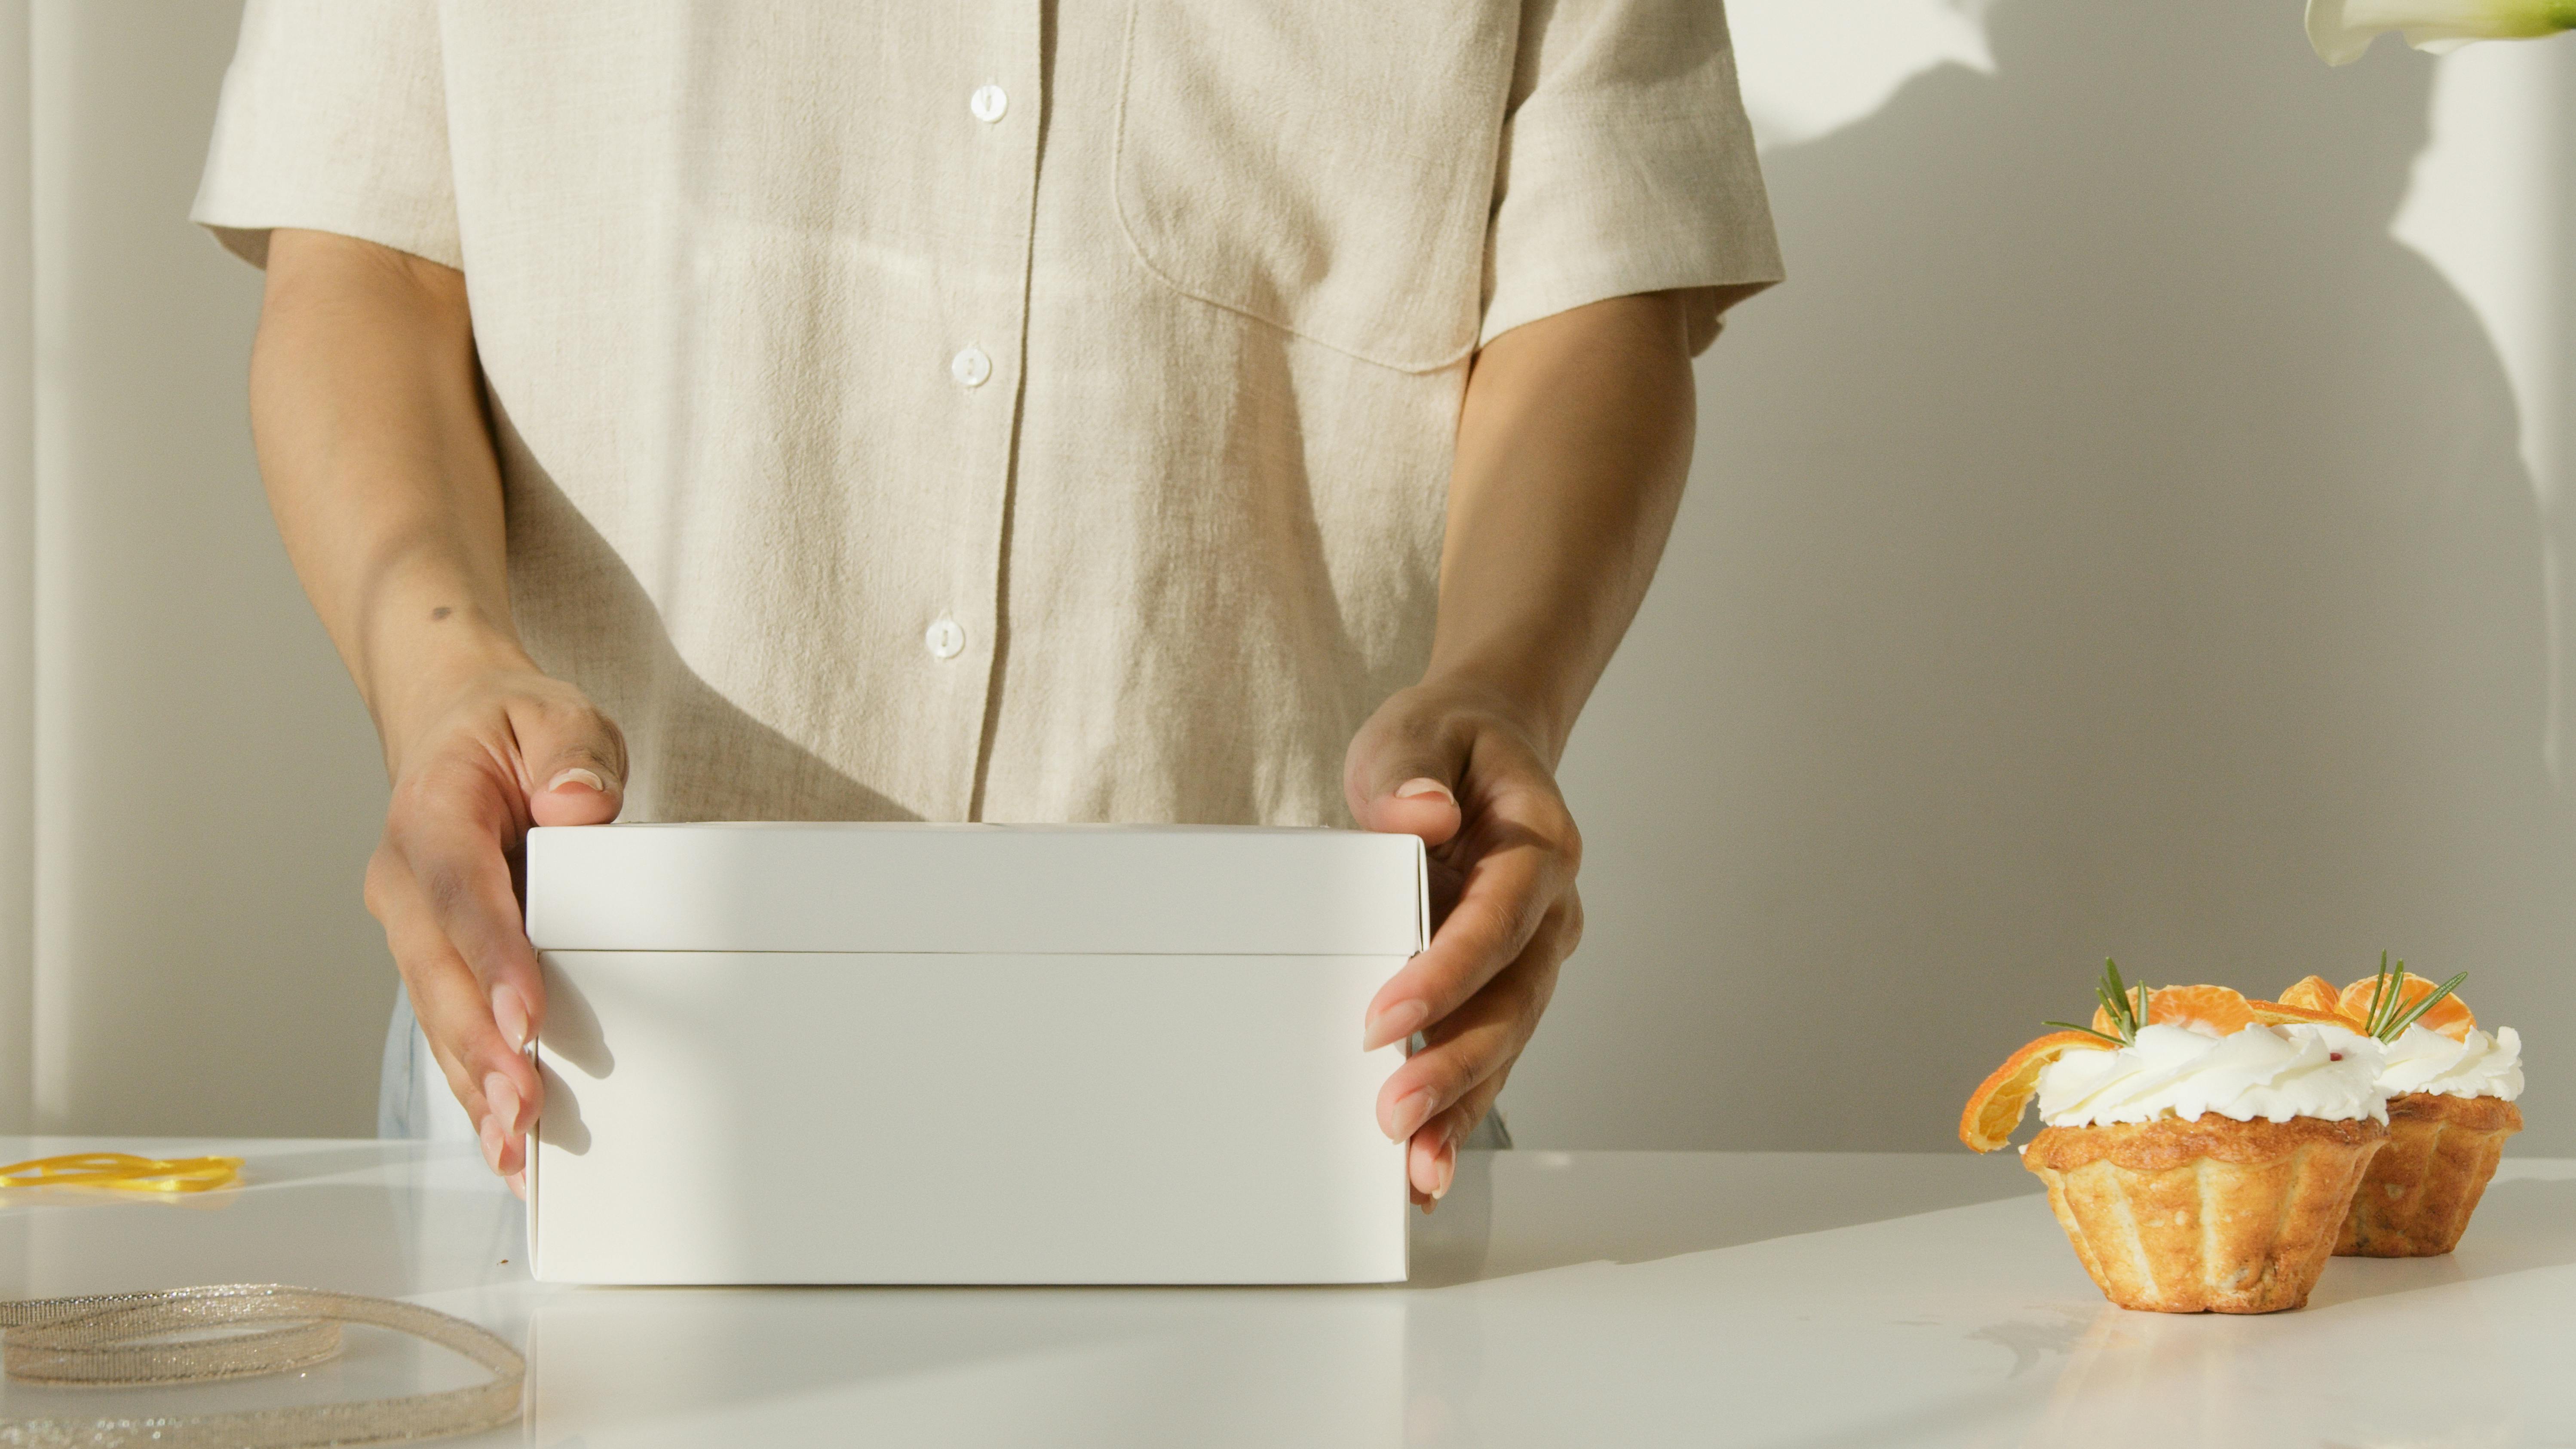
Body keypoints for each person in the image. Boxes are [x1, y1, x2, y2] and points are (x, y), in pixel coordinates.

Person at [191, 1, 1780, 1206]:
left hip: (1294, 1074)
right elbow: (371, 255)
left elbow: (1596, 288)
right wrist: (439, 681)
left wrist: (1505, 684)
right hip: (581, 1049)